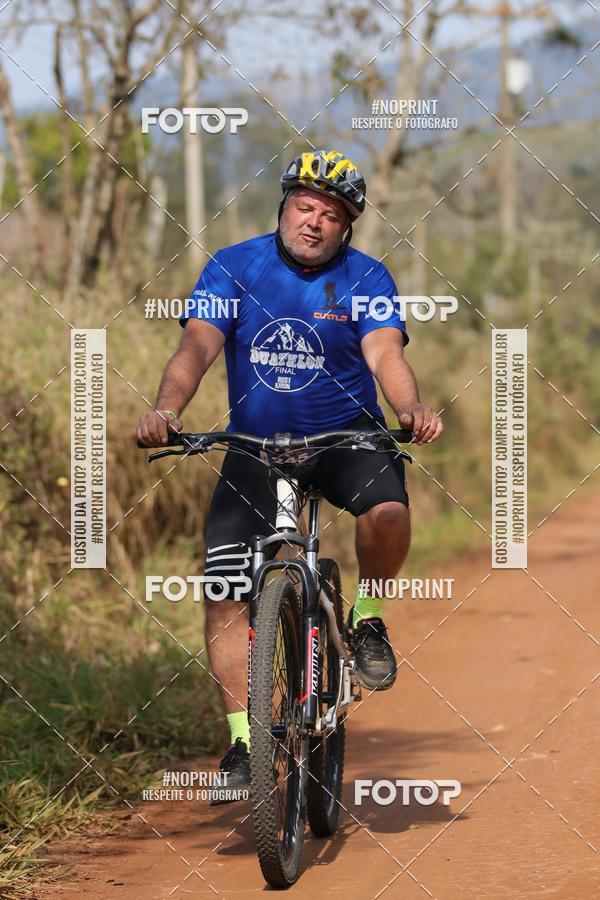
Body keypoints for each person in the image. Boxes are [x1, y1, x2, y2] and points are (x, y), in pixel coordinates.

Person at [136, 149, 443, 802]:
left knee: (387, 513)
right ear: (283, 207)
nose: (314, 222)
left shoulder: (366, 278)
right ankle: (247, 740)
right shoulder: (233, 267)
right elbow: (195, 346)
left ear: (347, 227)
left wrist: (409, 406)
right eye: (305, 206)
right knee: (225, 588)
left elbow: (385, 352)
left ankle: (368, 618)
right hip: (256, 446)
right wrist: (167, 409)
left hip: (346, 439)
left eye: (330, 214)